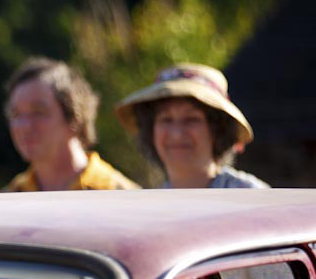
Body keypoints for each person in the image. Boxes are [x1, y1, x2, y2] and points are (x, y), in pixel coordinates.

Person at [114, 63, 268, 188]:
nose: (177, 133)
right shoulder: (152, 207)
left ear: (218, 130)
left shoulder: (250, 197)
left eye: (191, 119)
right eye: (166, 119)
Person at [1, 57, 140, 191]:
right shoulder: (5, 200)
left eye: (38, 112)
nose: (25, 125)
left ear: (75, 117)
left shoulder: (121, 195)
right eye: (16, 114)